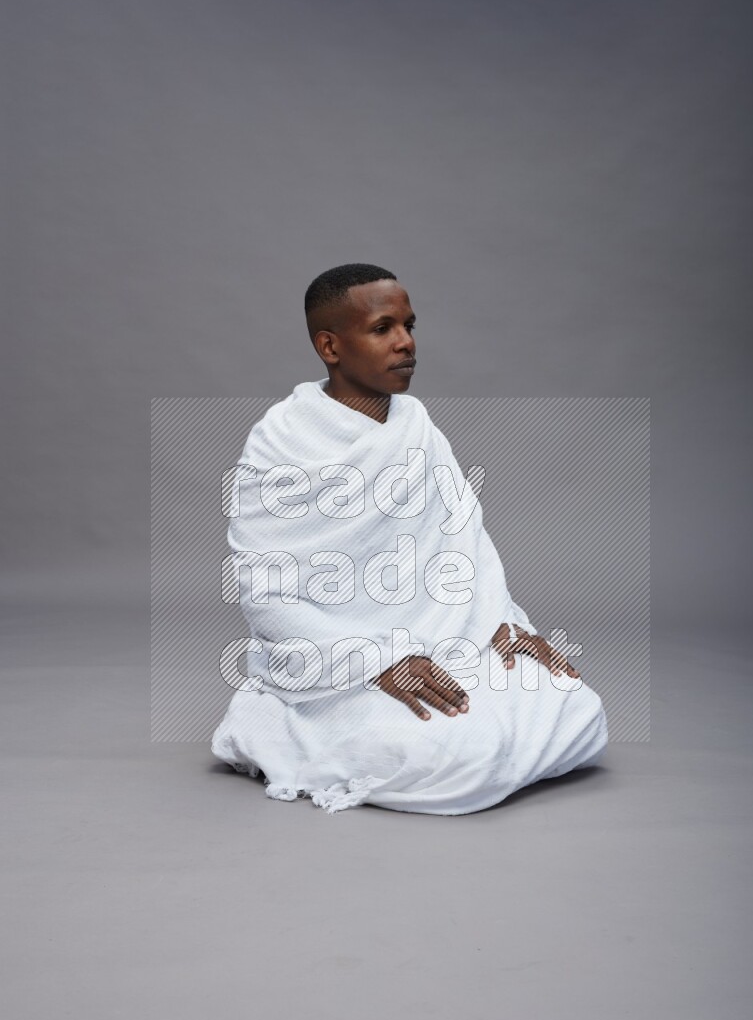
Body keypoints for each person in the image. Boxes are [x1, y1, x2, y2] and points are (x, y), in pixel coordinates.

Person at [211, 263, 608, 813]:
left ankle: (471, 725)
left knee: (576, 706)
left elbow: (466, 545)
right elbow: (263, 587)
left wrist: (505, 623)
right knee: (456, 752)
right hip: (337, 660)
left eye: (410, 326)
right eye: (382, 329)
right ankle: (277, 717)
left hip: (443, 636)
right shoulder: (279, 441)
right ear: (330, 345)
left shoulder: (417, 425)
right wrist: (377, 660)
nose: (406, 343)